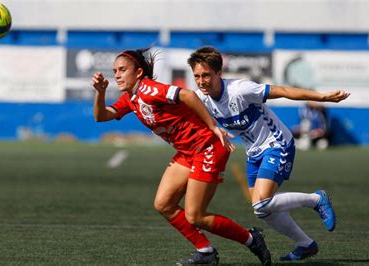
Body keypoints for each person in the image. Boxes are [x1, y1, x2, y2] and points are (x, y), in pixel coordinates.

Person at [91, 48, 271, 265]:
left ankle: (252, 239)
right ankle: (206, 251)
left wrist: (212, 126)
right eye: (115, 71)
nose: (117, 75)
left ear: (138, 72)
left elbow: (187, 94)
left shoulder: (150, 89)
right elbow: (101, 116)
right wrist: (100, 92)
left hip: (207, 148)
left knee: (195, 216)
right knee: (164, 204)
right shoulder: (130, 98)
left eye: (122, 70)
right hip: (187, 153)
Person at [187, 46, 350, 261]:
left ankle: (316, 199)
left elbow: (282, 90)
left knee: (262, 202)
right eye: (197, 76)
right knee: (262, 210)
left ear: (219, 73)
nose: (201, 81)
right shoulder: (202, 99)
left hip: (277, 143)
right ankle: (306, 244)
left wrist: (322, 97)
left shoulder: (240, 90)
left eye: (206, 75)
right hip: (254, 152)